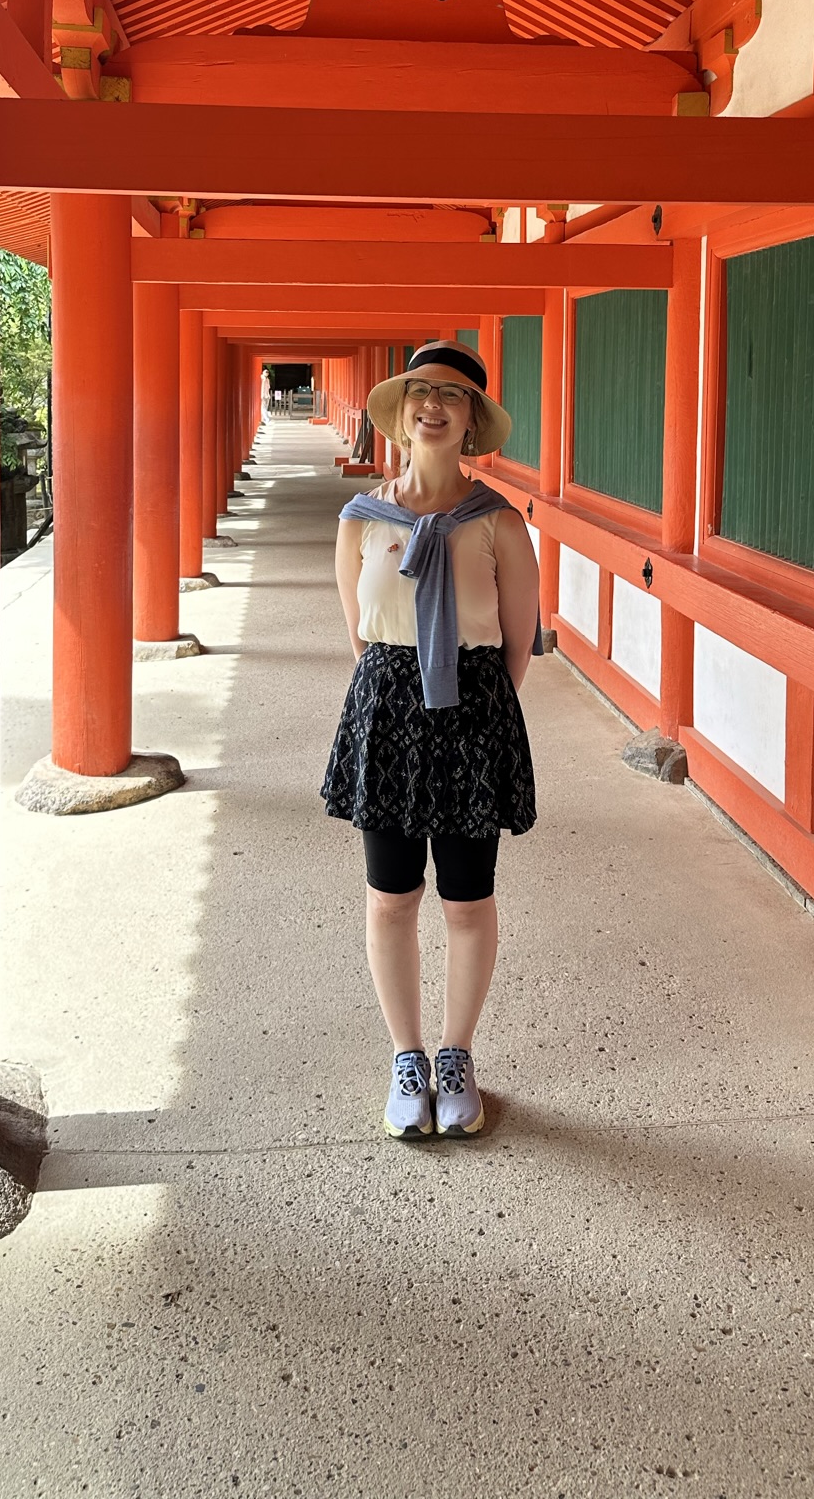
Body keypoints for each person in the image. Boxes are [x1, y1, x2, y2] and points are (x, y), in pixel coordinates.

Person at [323, 339, 541, 1139]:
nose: (434, 407)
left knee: (467, 901)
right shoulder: (361, 521)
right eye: (421, 393)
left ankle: (457, 1055)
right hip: (386, 711)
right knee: (390, 898)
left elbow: (519, 641)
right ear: (402, 411)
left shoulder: (498, 525)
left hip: (473, 715)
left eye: (453, 397)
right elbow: (361, 631)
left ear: (473, 421)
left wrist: (472, 717)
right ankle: (406, 1057)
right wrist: (405, 696)